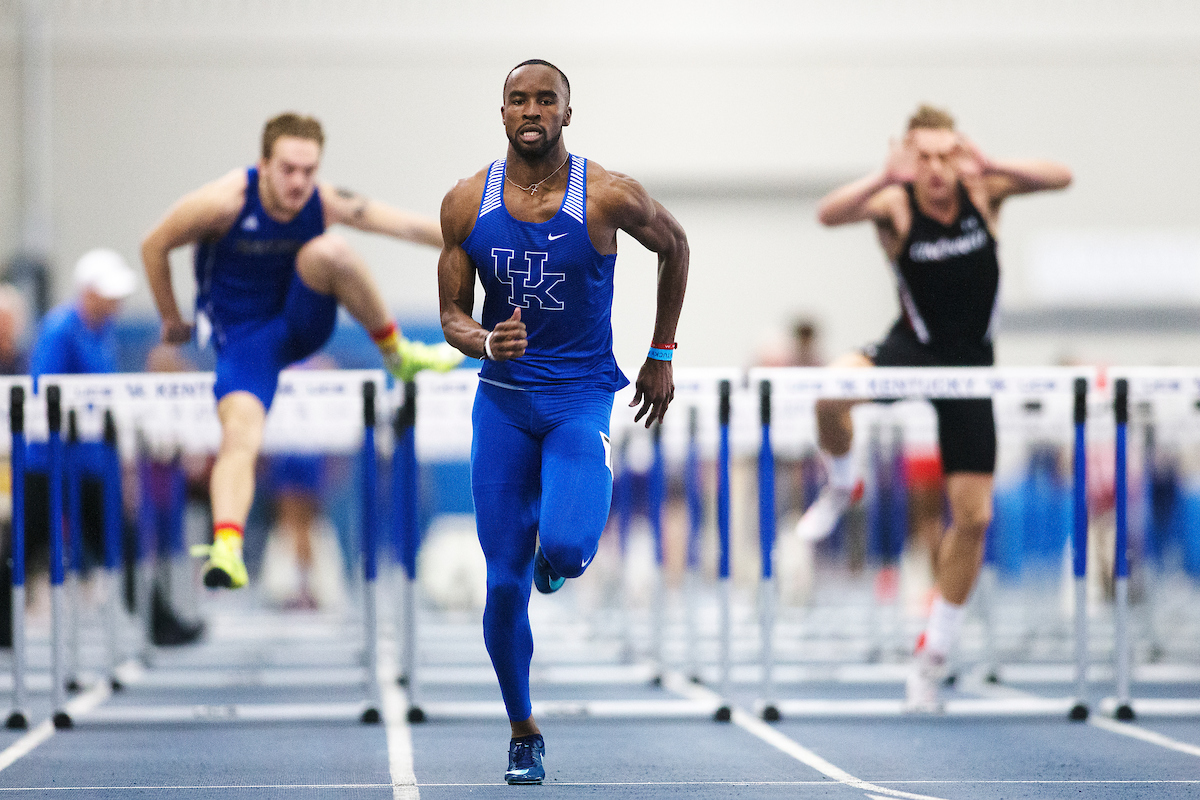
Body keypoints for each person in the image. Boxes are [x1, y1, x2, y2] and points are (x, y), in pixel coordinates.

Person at [438, 60, 688, 784]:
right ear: (504, 111)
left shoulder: (607, 196)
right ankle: (523, 730)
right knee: (503, 584)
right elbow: (453, 313)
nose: (532, 109)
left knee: (572, 549)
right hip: (504, 404)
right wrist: (484, 341)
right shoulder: (464, 203)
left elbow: (676, 246)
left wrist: (660, 352)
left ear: (567, 113)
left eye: (546, 99)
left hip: (581, 397)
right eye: (519, 98)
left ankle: (556, 555)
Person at [796, 104, 1071, 711]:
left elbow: (1061, 176)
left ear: (962, 155)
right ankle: (843, 483)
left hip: (971, 368)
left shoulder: (985, 192)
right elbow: (826, 214)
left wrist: (993, 162)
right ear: (907, 157)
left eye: (948, 154)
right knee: (828, 391)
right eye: (925, 156)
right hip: (911, 349)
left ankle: (933, 655)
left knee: (973, 518)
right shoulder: (895, 206)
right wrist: (882, 176)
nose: (939, 167)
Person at [141, 112, 461, 591]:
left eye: (309, 171)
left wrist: (495, 243)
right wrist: (171, 318)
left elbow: (408, 228)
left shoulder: (321, 200)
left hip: (300, 321)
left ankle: (398, 353)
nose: (299, 182)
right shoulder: (223, 203)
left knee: (331, 252)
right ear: (264, 165)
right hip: (244, 339)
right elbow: (154, 244)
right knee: (240, 436)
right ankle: (227, 547)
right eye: (288, 170)